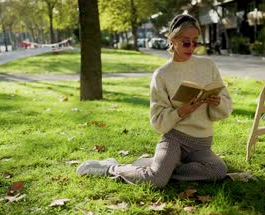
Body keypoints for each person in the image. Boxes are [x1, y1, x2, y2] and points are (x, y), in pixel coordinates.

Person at [76, 14, 233, 188]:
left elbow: (226, 104)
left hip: (202, 143)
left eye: (195, 42)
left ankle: (161, 167)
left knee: (218, 170)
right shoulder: (162, 74)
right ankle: (111, 167)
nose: (191, 47)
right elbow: (158, 123)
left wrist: (217, 102)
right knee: (156, 180)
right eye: (186, 42)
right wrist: (181, 112)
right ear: (172, 40)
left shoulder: (208, 65)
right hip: (175, 139)